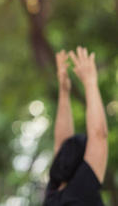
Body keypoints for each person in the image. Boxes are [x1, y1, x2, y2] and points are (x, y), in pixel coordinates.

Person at [43, 47, 108, 206]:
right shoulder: (80, 194)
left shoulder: (53, 195)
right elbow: (98, 135)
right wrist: (90, 81)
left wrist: (64, 92)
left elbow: (61, 144)